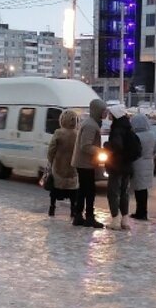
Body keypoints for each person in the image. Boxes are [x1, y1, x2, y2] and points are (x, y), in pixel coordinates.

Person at [70, 98, 107, 228]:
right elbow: (85, 145)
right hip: (85, 163)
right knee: (89, 191)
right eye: (103, 111)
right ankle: (89, 217)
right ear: (97, 111)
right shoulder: (91, 125)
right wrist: (100, 151)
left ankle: (78, 216)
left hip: (84, 162)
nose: (105, 114)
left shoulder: (91, 123)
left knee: (83, 190)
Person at [104, 104, 141, 230]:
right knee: (124, 192)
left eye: (111, 114)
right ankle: (125, 220)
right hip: (127, 165)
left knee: (113, 192)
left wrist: (107, 145)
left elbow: (117, 146)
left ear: (115, 115)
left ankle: (115, 220)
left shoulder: (117, 129)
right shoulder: (128, 128)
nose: (109, 116)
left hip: (116, 165)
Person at [46, 110, 79, 218]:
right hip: (73, 167)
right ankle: (73, 210)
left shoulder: (58, 133)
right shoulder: (77, 133)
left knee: (55, 190)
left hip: (59, 165)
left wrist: (50, 160)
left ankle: (52, 208)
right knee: (73, 191)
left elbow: (51, 149)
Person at [130, 113, 156, 221]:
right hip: (149, 162)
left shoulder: (136, 136)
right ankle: (143, 212)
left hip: (138, 163)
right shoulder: (152, 134)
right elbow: (155, 149)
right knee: (144, 189)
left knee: (138, 189)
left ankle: (140, 213)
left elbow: (133, 151)